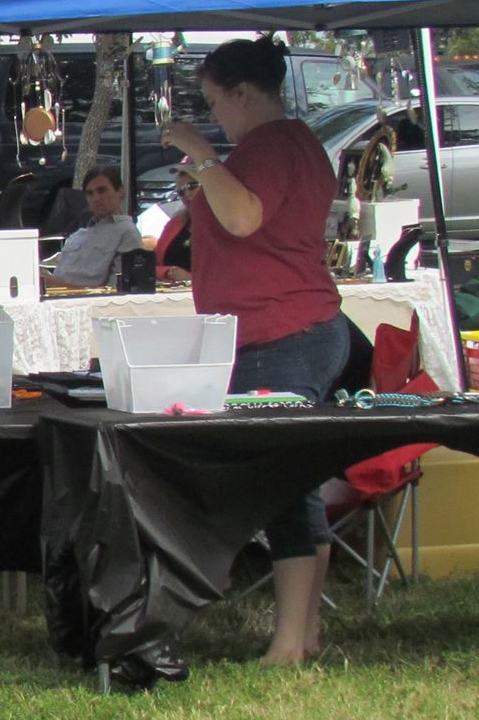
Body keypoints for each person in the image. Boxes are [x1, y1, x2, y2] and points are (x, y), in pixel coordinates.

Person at [161, 35, 347, 667]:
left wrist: (202, 157)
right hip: (288, 328)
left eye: (216, 102)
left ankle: (290, 643)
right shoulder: (289, 146)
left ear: (244, 93)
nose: (214, 115)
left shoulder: (271, 145)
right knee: (294, 482)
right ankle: (305, 632)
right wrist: (206, 180)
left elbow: (244, 220)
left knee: (282, 487)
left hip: (281, 333)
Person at [46, 162, 141, 288]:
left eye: (102, 190)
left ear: (120, 192)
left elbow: (117, 290)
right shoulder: (79, 234)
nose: (96, 198)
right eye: (90, 193)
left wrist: (55, 285)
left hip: (86, 303)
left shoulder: (127, 232)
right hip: (51, 298)